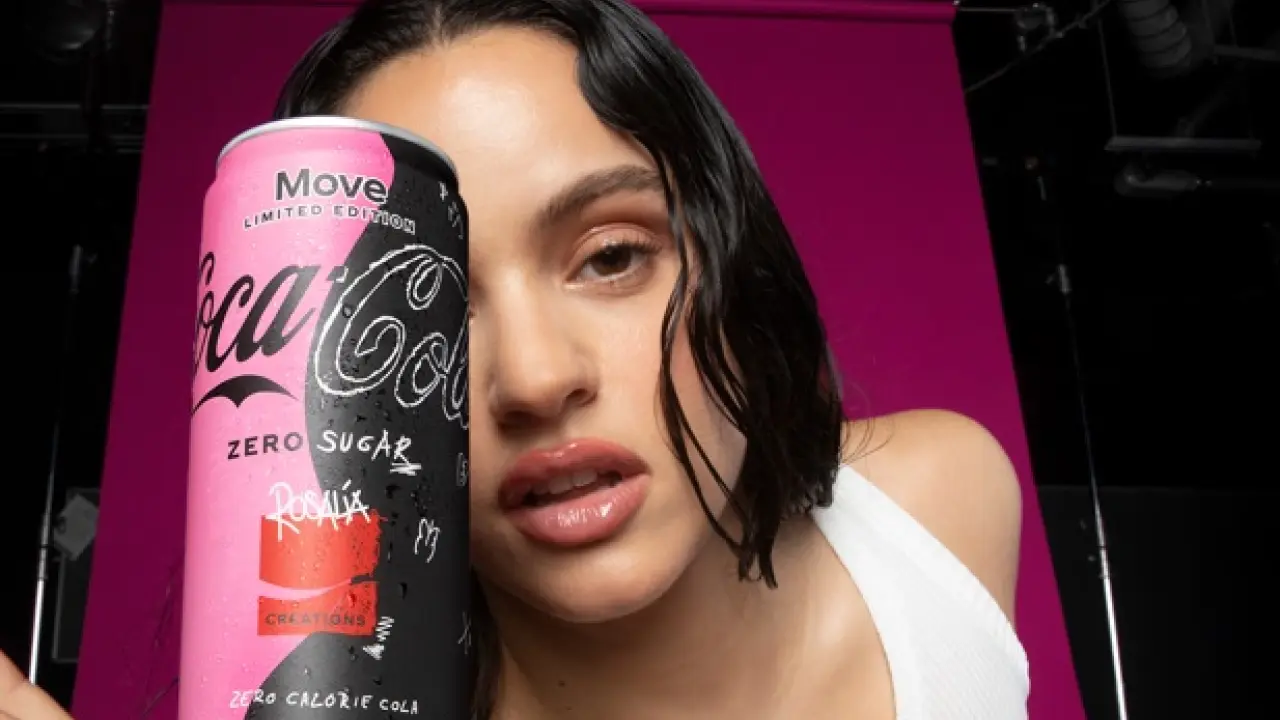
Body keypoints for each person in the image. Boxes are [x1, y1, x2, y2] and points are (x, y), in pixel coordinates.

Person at [0, 1, 1029, 718]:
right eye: (426, 305)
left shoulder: (938, 502)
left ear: (732, 263)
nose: (535, 381)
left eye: (611, 256)